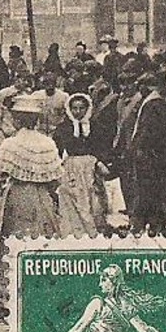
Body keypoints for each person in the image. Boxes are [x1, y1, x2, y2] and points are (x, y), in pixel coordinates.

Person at [0, 92, 63, 289]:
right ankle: (43, 284)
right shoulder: (48, 144)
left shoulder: (11, 144)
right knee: (42, 237)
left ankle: (11, 286)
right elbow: (56, 182)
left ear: (16, 119)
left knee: (15, 238)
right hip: (43, 198)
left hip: (19, 197)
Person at [126, 70, 166, 236]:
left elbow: (149, 131)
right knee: (151, 189)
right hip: (153, 155)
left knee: (151, 189)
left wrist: (138, 148)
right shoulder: (154, 101)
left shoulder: (154, 103)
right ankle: (152, 222)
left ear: (146, 87)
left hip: (150, 155)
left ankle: (154, 224)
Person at [54, 91, 110, 236]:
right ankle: (77, 229)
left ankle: (95, 228)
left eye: (81, 108)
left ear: (87, 109)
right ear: (69, 109)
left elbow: (101, 146)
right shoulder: (64, 127)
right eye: (74, 108)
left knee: (93, 197)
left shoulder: (95, 126)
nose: (78, 112)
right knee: (74, 196)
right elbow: (58, 148)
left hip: (90, 166)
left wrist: (99, 161)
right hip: (72, 165)